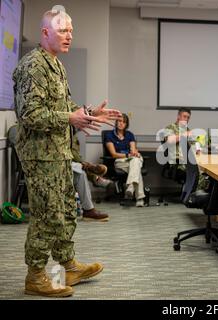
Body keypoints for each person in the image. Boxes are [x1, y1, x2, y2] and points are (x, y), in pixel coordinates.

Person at [13, 8, 122, 297]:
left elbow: (64, 108)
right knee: (47, 215)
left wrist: (86, 113)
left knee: (64, 211)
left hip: (59, 153)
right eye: (63, 30)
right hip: (40, 155)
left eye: (71, 30)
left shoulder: (56, 65)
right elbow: (29, 114)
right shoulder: (33, 66)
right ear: (45, 32)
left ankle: (67, 266)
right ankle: (35, 276)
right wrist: (70, 119)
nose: (69, 35)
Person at [105, 113, 146, 207]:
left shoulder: (129, 135)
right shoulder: (109, 135)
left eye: (124, 122)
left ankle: (131, 187)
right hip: (120, 161)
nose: (121, 123)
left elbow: (133, 149)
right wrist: (128, 155)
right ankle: (139, 198)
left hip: (131, 159)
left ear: (126, 124)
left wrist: (135, 152)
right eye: (119, 121)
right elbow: (113, 154)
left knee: (135, 160)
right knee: (137, 168)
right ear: (116, 122)